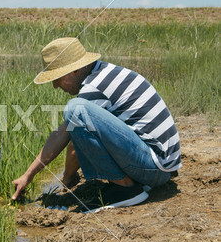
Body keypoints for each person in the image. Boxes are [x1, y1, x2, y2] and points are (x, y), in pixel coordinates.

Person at [11, 37, 182, 213]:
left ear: (75, 71)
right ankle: (128, 182)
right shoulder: (104, 72)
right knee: (76, 113)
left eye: (57, 78)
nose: (55, 86)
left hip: (155, 168)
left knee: (75, 110)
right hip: (161, 165)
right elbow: (63, 134)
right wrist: (27, 176)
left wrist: (67, 178)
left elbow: (72, 146)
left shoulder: (94, 87)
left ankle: (125, 189)